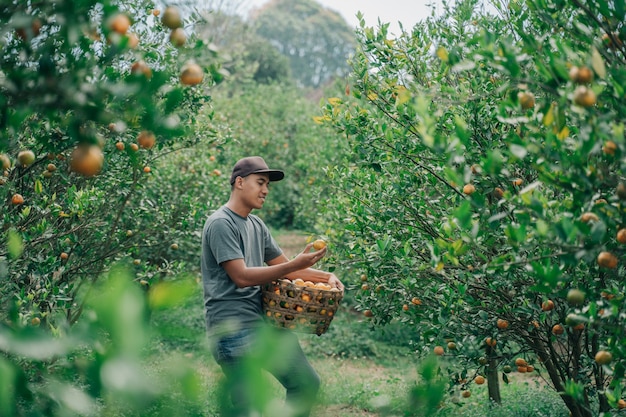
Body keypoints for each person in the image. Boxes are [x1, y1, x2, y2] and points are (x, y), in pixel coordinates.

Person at [201, 156, 344, 417]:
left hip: (263, 327)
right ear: (240, 182)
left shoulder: (256, 225)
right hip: (232, 331)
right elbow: (241, 276)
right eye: (260, 182)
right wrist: (293, 266)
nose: (266, 190)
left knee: (306, 383)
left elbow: (288, 266)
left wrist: (326, 277)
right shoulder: (221, 223)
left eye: (267, 184)